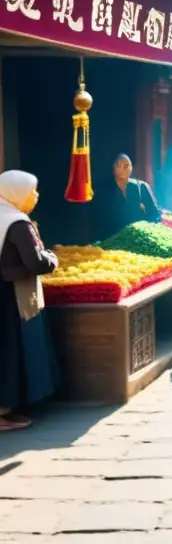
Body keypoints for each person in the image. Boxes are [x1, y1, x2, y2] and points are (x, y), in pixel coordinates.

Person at [0, 171, 59, 431]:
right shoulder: (17, 223)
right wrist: (52, 259)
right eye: (32, 191)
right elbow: (35, 261)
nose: (35, 196)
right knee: (10, 352)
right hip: (11, 297)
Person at [92, 154, 162, 241]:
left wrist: (149, 231)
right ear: (113, 169)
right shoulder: (104, 191)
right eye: (119, 165)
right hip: (112, 239)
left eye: (126, 165)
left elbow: (155, 214)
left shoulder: (142, 186)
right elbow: (98, 219)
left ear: (131, 168)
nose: (123, 168)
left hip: (140, 238)